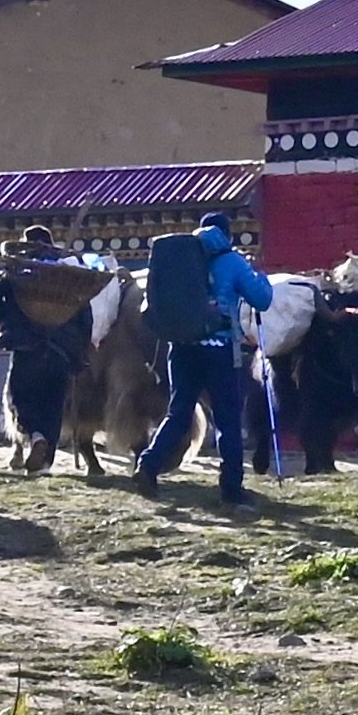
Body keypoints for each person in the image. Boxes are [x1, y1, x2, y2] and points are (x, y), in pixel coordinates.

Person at [131, 203, 270, 501]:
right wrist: (260, 275)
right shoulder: (231, 261)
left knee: (179, 413)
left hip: (181, 346)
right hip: (220, 349)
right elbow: (262, 299)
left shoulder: (183, 259)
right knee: (228, 419)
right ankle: (231, 489)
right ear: (227, 234)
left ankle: (148, 464)